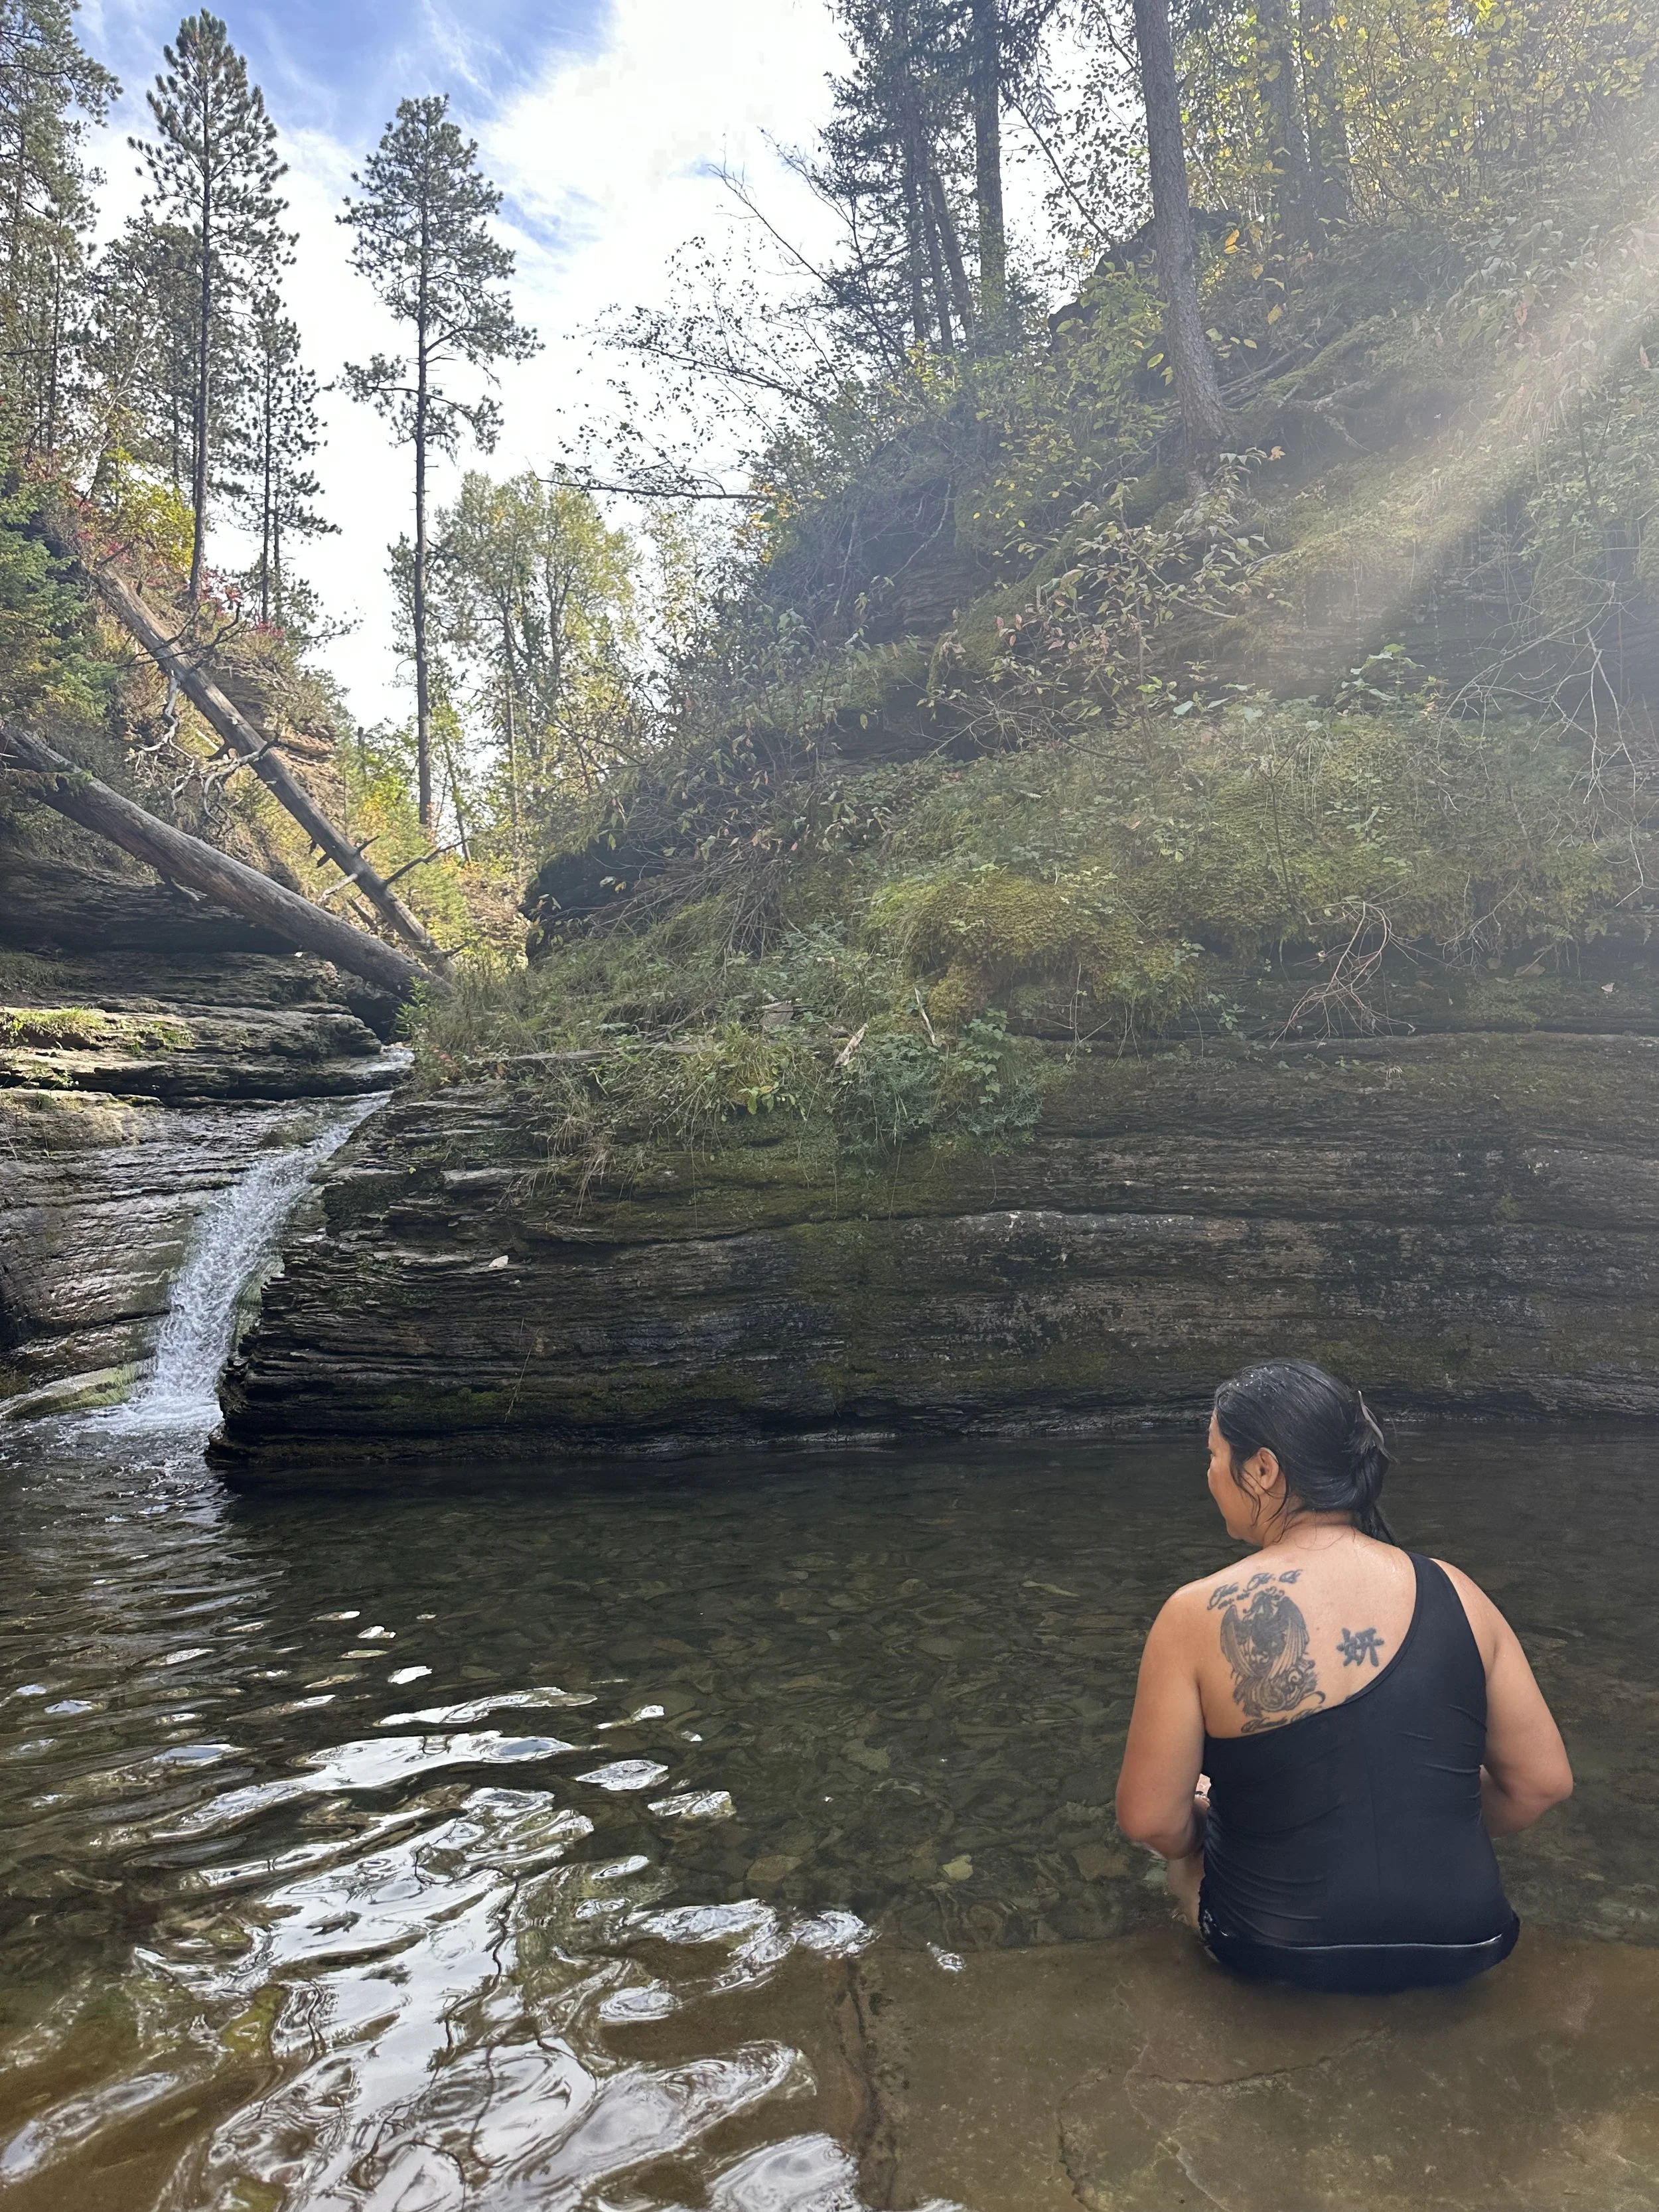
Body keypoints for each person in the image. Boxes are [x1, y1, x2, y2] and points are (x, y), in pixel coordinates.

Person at [1114, 1360, 1573, 1994]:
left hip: (1275, 1949)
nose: (1210, 1474)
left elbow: (1149, 1822)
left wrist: (1209, 1814)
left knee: (1184, 1850)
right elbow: (1542, 1784)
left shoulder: (1196, 1613)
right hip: (1470, 1941)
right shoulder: (1459, 1592)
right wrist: (1432, 1812)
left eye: (1215, 1455)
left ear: (1265, 1469)